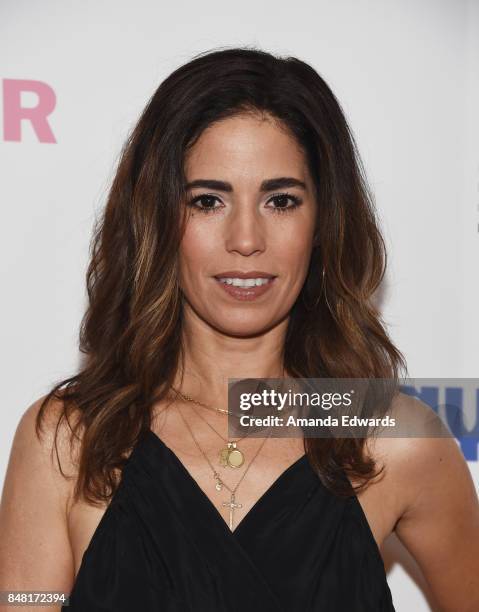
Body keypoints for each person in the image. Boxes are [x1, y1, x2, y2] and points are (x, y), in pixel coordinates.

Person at [0, 46, 478, 612]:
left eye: (280, 200)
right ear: (155, 218)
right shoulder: (68, 440)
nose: (246, 239)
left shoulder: (390, 438)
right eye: (207, 200)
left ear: (324, 220)